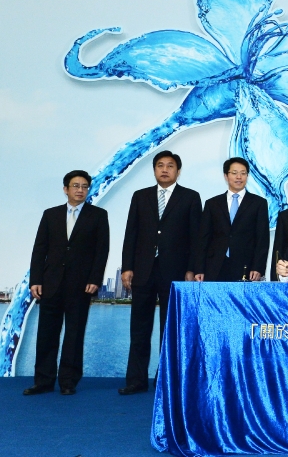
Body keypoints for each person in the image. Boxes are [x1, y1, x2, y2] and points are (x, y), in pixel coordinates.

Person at [118, 151, 202, 395]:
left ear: (178, 170)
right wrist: (127, 267)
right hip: (142, 271)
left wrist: (191, 268)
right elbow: (130, 234)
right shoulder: (140, 196)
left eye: (170, 166)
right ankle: (136, 380)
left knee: (170, 328)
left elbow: (196, 238)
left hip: (175, 271)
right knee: (139, 328)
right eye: (160, 166)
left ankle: (166, 379)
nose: (165, 170)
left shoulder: (190, 197)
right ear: (154, 170)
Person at [24, 170, 110, 396]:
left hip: (81, 285)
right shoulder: (50, 215)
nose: (80, 190)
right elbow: (39, 250)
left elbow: (102, 251)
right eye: (75, 186)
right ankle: (43, 381)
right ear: (65, 189)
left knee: (74, 334)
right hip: (50, 284)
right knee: (46, 335)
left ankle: (68, 382)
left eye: (84, 186)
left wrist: (94, 279)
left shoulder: (98, 215)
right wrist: (36, 280)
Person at [195, 157, 269, 282]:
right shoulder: (212, 204)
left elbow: (262, 239)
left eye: (243, 173)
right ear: (226, 176)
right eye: (234, 173)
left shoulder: (258, 203)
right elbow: (203, 239)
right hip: (215, 266)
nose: (239, 177)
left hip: (246, 267)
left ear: (247, 176)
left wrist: (258, 267)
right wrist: (199, 268)